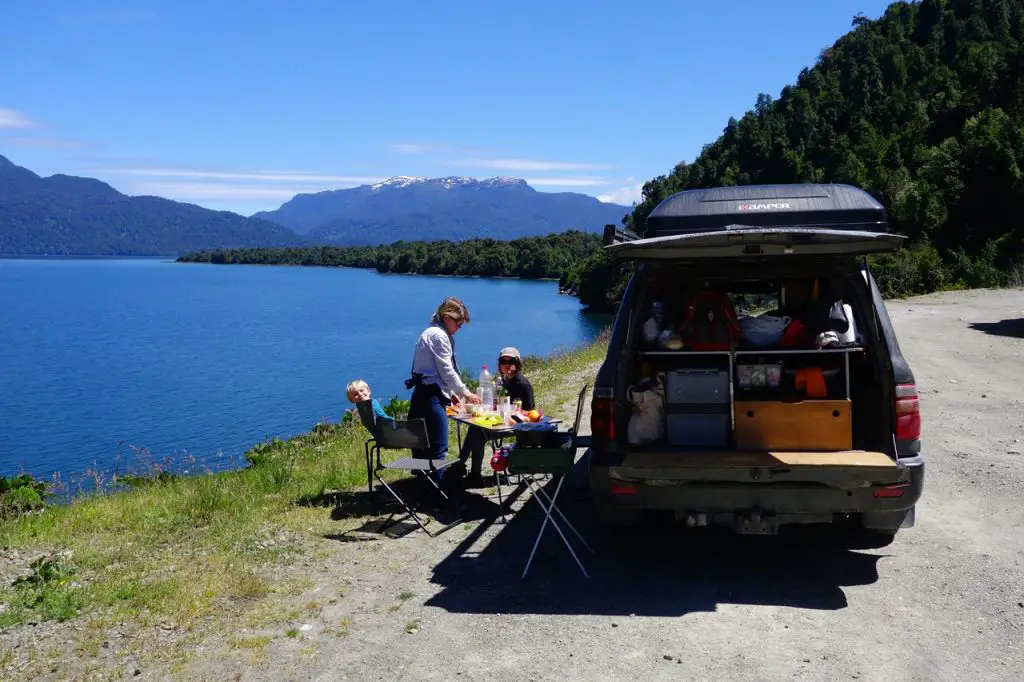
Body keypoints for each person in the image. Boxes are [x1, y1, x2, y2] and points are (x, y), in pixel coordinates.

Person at [407, 297, 481, 463]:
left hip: (421, 393)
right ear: (447, 317)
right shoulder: (439, 336)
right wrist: (466, 393)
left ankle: (422, 486)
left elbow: (435, 371)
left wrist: (452, 392)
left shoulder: (431, 332)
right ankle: (439, 488)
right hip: (432, 397)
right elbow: (446, 370)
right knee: (439, 449)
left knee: (422, 449)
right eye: (458, 323)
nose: (459, 328)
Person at [459, 347, 535, 488]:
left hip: (516, 426)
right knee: (475, 429)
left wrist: (513, 414)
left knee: (477, 433)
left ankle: (463, 468)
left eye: (511, 361)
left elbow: (530, 413)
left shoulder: (523, 384)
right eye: (503, 361)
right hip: (501, 422)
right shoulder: (504, 382)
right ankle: (466, 470)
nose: (506, 365)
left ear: (517, 363)